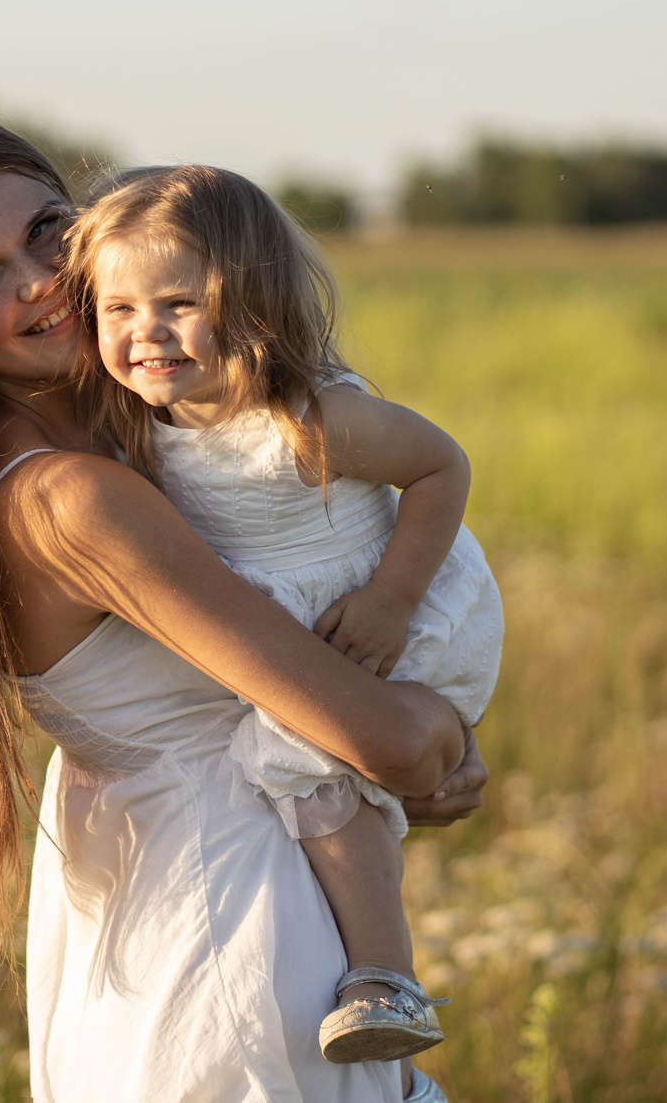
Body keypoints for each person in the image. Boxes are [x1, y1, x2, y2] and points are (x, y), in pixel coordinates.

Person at [0, 109, 487, 1102]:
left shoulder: (139, 443)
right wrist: (439, 733)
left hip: (178, 895)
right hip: (229, 924)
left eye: (47, 230)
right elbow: (381, 739)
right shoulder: (72, 499)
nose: (40, 280)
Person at [63, 165, 503, 1065]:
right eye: (118, 309)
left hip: (384, 607)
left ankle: (387, 977)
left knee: (309, 763)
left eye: (179, 302)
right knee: (310, 767)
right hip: (291, 630)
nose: (146, 331)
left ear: (251, 300)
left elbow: (441, 466)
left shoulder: (311, 418)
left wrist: (391, 598)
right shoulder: (143, 421)